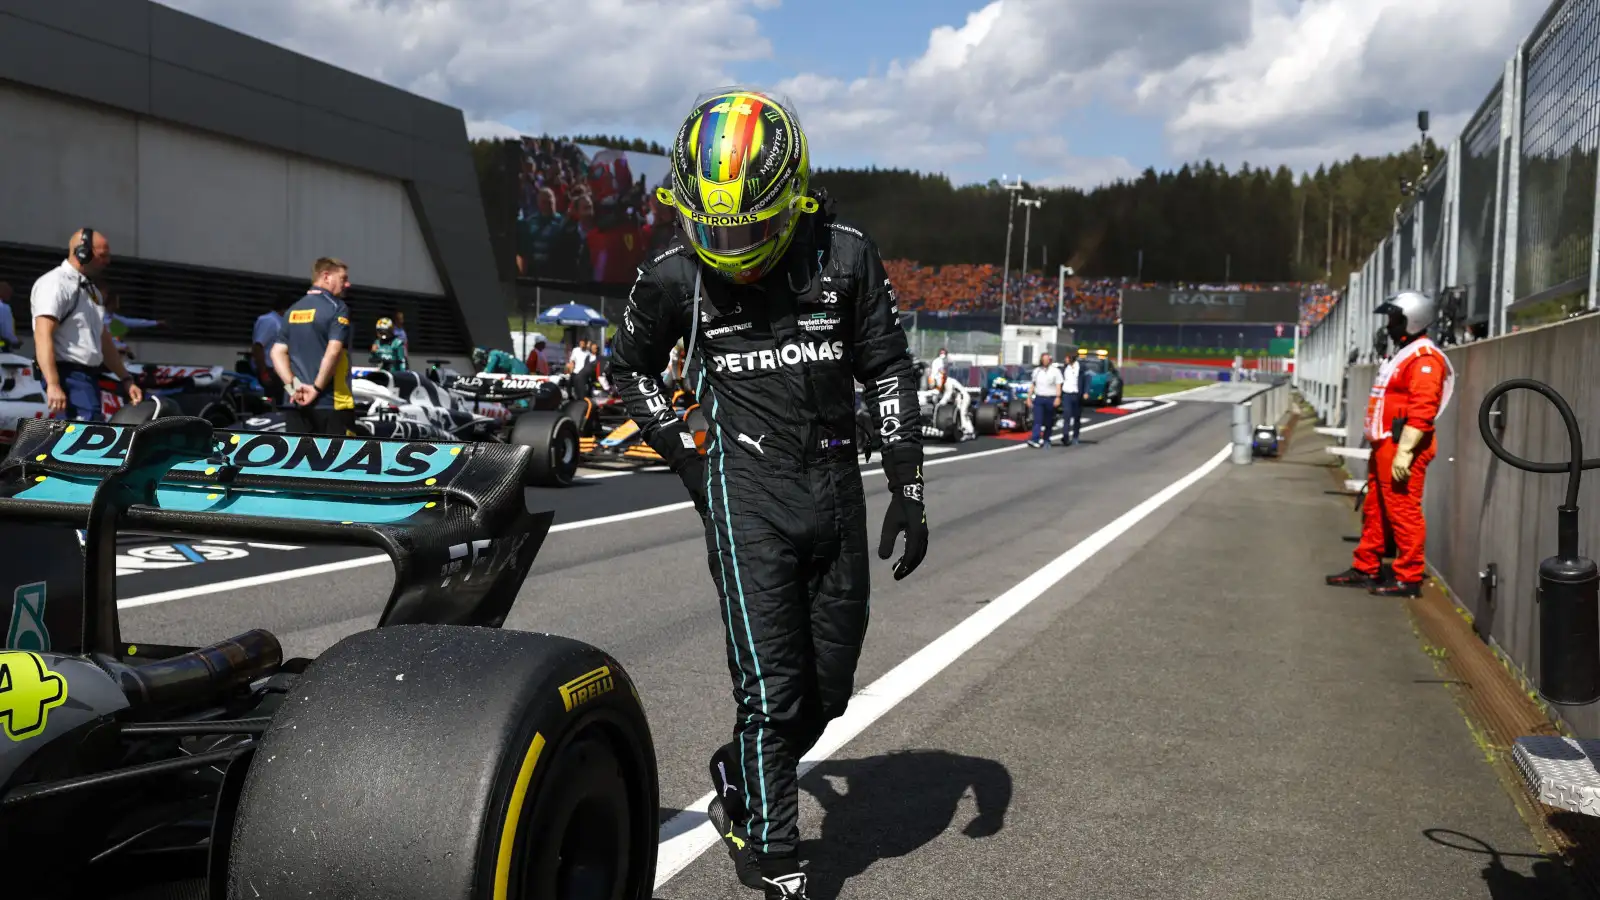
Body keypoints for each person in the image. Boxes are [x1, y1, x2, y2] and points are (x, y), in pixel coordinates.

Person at [608, 87, 927, 900]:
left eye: (748, 228)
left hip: (834, 487)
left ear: (792, 199)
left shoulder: (848, 255)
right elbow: (630, 369)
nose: (731, 244)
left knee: (828, 691)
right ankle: (775, 855)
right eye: (715, 227)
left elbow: (887, 367)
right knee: (772, 689)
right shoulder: (672, 277)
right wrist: (688, 462)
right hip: (744, 491)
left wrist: (908, 482)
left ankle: (744, 772)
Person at [1326, 290, 1454, 597]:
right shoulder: (1402, 353)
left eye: (1395, 319)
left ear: (1413, 320)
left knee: (1403, 510)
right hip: (1385, 445)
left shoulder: (1425, 359)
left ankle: (1408, 577)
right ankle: (1366, 567)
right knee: (1375, 508)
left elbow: (1423, 411)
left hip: (1403, 447)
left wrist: (1406, 453)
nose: (1389, 325)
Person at [29, 228, 143, 420]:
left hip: (86, 377)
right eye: (102, 255)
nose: (107, 261)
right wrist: (53, 383)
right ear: (83, 252)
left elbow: (103, 339)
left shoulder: (91, 292)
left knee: (87, 435)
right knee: (83, 438)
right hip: (67, 375)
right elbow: (42, 335)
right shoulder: (55, 284)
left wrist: (126, 378)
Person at [271, 257, 356, 436]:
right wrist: (316, 388)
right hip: (331, 402)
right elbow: (333, 351)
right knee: (337, 461)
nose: (347, 284)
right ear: (326, 276)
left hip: (295, 401)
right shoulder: (337, 308)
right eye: (343, 278)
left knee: (298, 461)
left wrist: (294, 388)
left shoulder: (292, 310)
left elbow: (276, 353)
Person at [252, 297, 290, 400]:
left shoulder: (282, 322)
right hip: (270, 371)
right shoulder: (269, 321)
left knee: (292, 394)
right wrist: (263, 373)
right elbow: (258, 347)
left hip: (282, 370)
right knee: (273, 401)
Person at [1027, 353, 1063, 448]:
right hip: (1039, 398)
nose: (1045, 361)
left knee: (1048, 421)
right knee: (1037, 420)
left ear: (1050, 360)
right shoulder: (1037, 371)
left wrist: (1058, 397)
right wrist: (1029, 398)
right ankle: (1035, 439)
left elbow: (1058, 385)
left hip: (1050, 398)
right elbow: (1032, 385)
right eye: (1043, 359)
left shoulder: (1056, 371)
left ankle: (1047, 439)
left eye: (1047, 359)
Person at [1058, 350, 1084, 446]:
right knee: (1066, 416)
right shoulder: (1064, 368)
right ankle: (1065, 437)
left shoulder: (1080, 368)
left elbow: (1087, 378)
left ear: (1071, 358)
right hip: (1066, 395)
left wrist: (1085, 392)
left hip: (1076, 395)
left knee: (1077, 417)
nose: (1065, 359)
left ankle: (1075, 437)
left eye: (1067, 358)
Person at [0, 282, 19, 352]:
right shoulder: (4, 308)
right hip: (1, 344)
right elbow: (7, 332)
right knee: (6, 343)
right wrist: (15, 341)